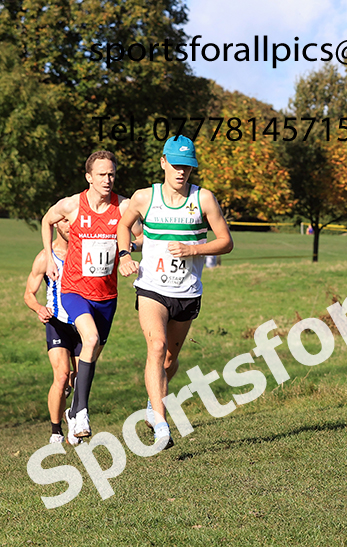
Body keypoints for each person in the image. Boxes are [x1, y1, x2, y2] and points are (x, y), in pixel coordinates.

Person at [118, 135, 233, 449]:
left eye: (188, 166)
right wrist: (125, 255)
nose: (181, 172)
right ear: (163, 163)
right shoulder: (144, 197)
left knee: (169, 359)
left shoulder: (204, 199)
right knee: (156, 346)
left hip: (187, 291)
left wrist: (194, 248)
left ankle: (152, 401)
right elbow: (122, 225)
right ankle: (160, 423)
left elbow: (226, 241)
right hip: (151, 288)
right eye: (176, 165)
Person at [41, 150, 140, 442]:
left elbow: (142, 234)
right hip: (73, 289)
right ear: (89, 177)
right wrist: (48, 258)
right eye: (101, 175)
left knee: (91, 354)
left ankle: (74, 409)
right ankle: (81, 411)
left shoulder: (123, 206)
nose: (107, 180)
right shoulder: (72, 205)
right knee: (91, 339)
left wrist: (127, 251)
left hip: (106, 295)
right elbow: (47, 220)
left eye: (111, 174)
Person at [24, 218, 81, 445]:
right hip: (56, 321)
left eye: (73, 221)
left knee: (78, 378)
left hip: (82, 322)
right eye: (65, 221)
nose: (70, 225)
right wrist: (39, 308)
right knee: (61, 375)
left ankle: (74, 417)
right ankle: (56, 431)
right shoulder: (45, 257)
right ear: (56, 225)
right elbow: (29, 293)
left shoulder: (83, 253)